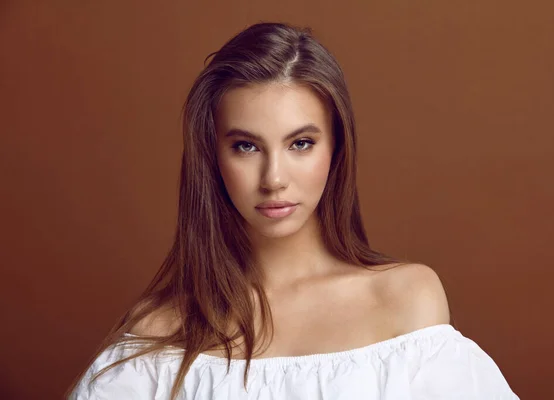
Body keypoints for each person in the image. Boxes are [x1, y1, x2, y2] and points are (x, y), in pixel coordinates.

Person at [67, 22, 519, 399]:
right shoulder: (160, 329)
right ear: (212, 156)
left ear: (336, 148)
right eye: (246, 146)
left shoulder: (403, 300)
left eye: (300, 143)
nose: (274, 177)